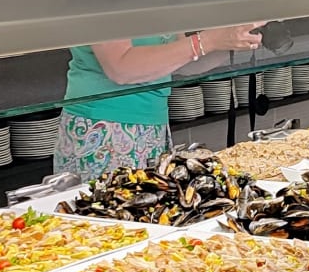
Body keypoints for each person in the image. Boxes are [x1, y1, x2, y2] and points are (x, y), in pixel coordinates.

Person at [55, 26, 266, 180]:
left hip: (154, 128)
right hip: (104, 130)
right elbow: (120, 68)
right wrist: (208, 41)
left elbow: (181, 63)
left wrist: (232, 41)